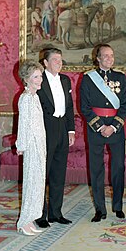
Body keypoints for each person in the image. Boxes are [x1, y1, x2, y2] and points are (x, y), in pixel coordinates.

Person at [80, 44, 126, 222]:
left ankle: (118, 206)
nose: (109, 59)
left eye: (111, 55)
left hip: (116, 128)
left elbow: (124, 106)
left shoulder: (121, 78)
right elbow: (84, 107)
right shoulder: (88, 79)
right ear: (98, 58)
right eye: (105, 56)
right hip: (96, 129)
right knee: (96, 169)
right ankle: (100, 209)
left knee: (118, 168)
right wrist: (101, 127)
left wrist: (114, 126)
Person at [36, 47, 75, 228]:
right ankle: (40, 214)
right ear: (45, 63)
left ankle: (55, 213)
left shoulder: (66, 80)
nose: (58, 63)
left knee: (59, 173)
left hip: (62, 128)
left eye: (60, 60)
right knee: (42, 174)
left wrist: (71, 131)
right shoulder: (38, 81)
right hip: (45, 128)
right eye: (54, 60)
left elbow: (69, 107)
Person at [16, 60, 46, 236]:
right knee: (31, 182)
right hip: (32, 146)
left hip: (40, 144)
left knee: (38, 182)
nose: (39, 79)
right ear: (26, 79)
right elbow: (24, 125)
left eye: (40, 76)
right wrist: (22, 145)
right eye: (35, 77)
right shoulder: (26, 98)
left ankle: (31, 217)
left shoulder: (35, 97)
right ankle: (24, 220)